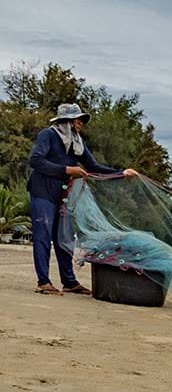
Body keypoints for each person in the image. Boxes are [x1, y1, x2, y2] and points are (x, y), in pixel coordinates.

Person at [27, 103, 137, 295]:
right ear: (66, 122)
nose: (80, 124)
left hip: (63, 195)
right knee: (43, 235)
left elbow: (92, 166)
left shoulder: (77, 143)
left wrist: (121, 173)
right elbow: (36, 160)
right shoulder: (49, 135)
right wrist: (67, 170)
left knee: (64, 238)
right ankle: (43, 281)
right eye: (78, 120)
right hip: (43, 192)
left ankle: (69, 282)